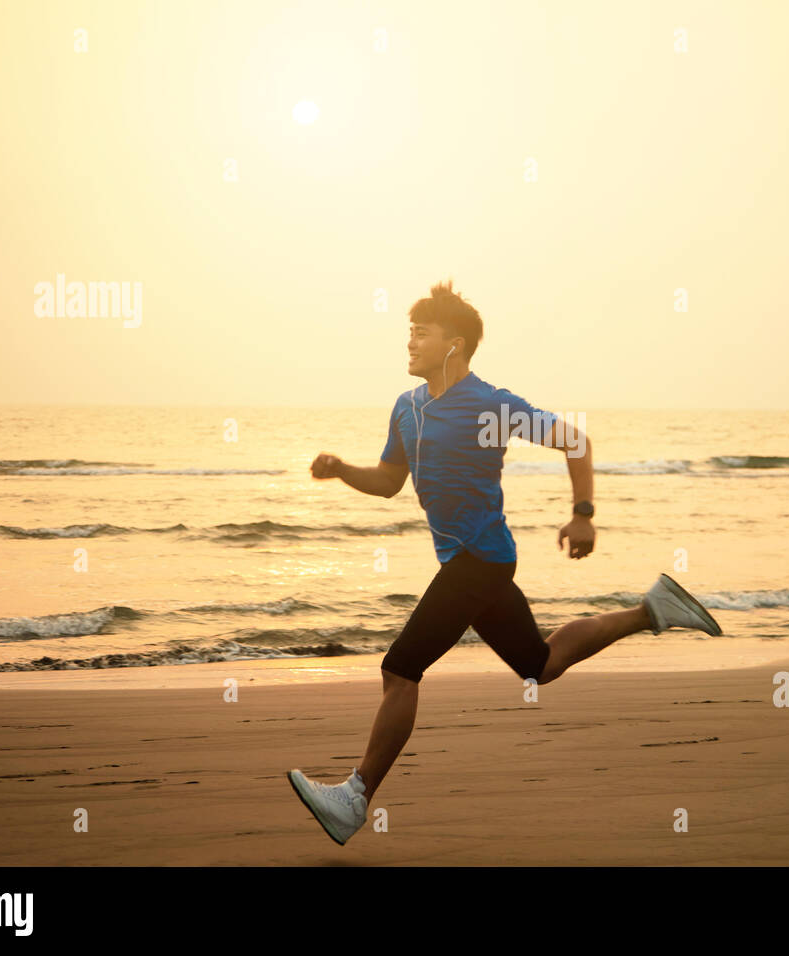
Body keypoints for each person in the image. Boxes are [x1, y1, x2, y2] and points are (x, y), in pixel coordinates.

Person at [287, 279, 722, 846]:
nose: (411, 338)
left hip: (479, 562)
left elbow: (576, 441)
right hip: (481, 563)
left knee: (400, 670)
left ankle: (355, 796)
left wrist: (583, 513)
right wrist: (343, 470)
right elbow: (391, 481)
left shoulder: (491, 404)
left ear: (456, 344)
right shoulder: (407, 409)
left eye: (424, 330)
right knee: (539, 664)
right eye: (408, 329)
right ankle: (653, 609)